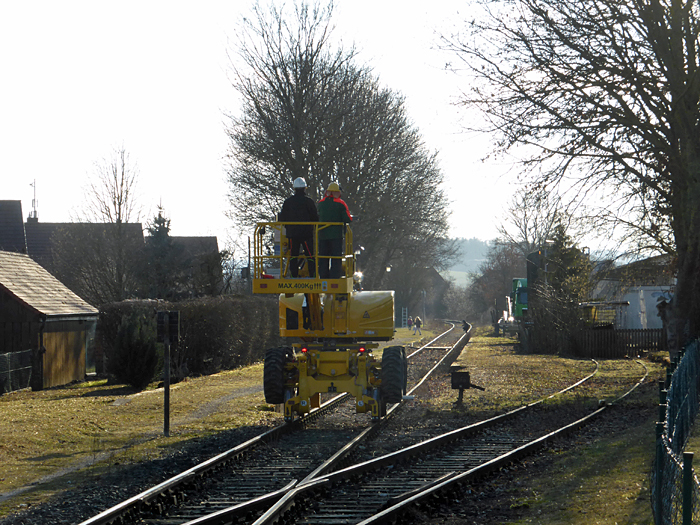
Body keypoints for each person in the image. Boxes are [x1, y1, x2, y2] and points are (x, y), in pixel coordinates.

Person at [279, 177, 319, 277]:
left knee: (293, 255)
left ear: (294, 188)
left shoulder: (288, 202)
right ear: (305, 188)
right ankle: (312, 274)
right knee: (310, 254)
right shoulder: (309, 201)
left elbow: (282, 217)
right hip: (307, 234)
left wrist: (288, 227)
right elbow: (315, 217)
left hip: (293, 234)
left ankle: (294, 275)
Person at [317, 182, 352, 278]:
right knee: (336, 257)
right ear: (337, 192)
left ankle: (323, 275)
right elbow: (348, 218)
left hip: (322, 235)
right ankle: (334, 276)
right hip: (336, 236)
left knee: (323, 257)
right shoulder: (341, 203)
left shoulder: (321, 203)